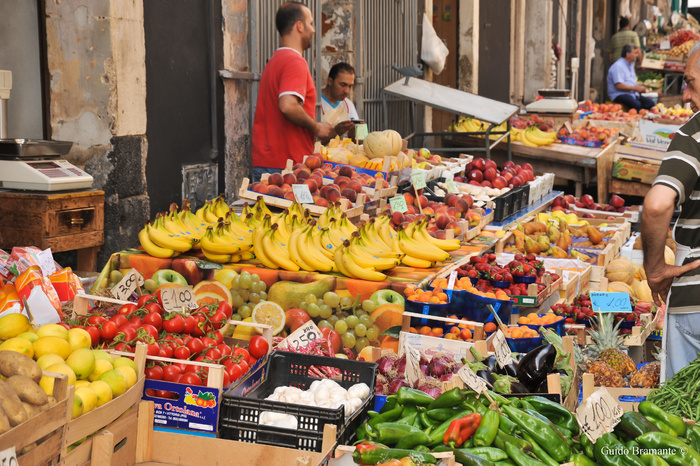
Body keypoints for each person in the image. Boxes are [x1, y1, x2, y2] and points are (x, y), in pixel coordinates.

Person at [641, 41, 700, 381]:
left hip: (695, 299)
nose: (685, 96)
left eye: (690, 82)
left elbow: (658, 204)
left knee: (683, 423)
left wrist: (655, 269)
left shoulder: (695, 134)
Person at [250, 2, 349, 181]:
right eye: (311, 24)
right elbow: (287, 105)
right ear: (300, 26)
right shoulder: (295, 61)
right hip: (285, 165)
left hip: (268, 161)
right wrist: (316, 127)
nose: (313, 30)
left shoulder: (275, 60)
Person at [607, 43, 654, 111]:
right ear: (628, 54)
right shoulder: (618, 66)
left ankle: (643, 119)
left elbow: (631, 81)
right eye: (635, 53)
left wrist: (639, 88)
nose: (637, 55)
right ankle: (635, 119)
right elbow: (619, 85)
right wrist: (635, 88)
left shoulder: (631, 64)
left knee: (650, 103)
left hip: (631, 93)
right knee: (636, 104)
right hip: (619, 94)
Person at [321, 62, 360, 140]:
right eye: (343, 85)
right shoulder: (315, 102)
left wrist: (355, 135)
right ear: (330, 81)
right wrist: (335, 132)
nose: (347, 91)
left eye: (350, 86)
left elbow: (360, 140)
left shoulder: (348, 104)